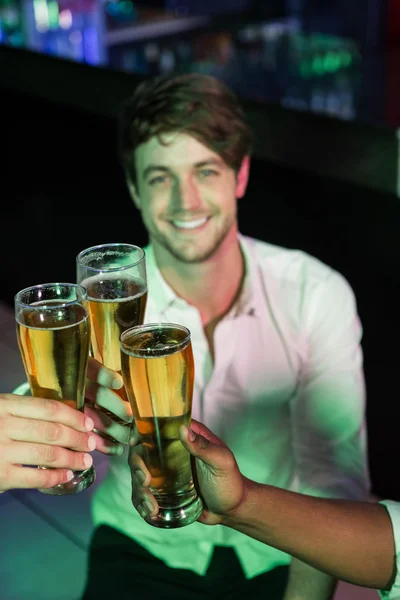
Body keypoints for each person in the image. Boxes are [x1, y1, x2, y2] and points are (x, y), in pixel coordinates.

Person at [2, 73, 370, 600]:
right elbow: (56, 409)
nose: (185, 200)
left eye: (205, 170)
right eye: (159, 178)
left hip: (275, 546)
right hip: (140, 544)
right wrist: (60, 426)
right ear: (134, 188)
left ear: (240, 175)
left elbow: (335, 479)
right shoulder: (105, 305)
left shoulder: (316, 292)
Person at [129, 419, 400, 599]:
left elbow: (333, 479)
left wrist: (239, 504)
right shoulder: (131, 334)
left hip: (272, 554)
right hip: (138, 544)